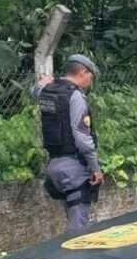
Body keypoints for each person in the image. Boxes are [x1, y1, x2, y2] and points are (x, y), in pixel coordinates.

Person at [34, 55, 104, 231]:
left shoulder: (48, 90)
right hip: (74, 167)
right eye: (90, 76)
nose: (90, 80)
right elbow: (82, 138)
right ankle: (78, 257)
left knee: (74, 216)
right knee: (78, 228)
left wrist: (42, 83)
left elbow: (34, 92)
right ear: (82, 72)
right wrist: (95, 168)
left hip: (54, 166)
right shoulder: (75, 96)